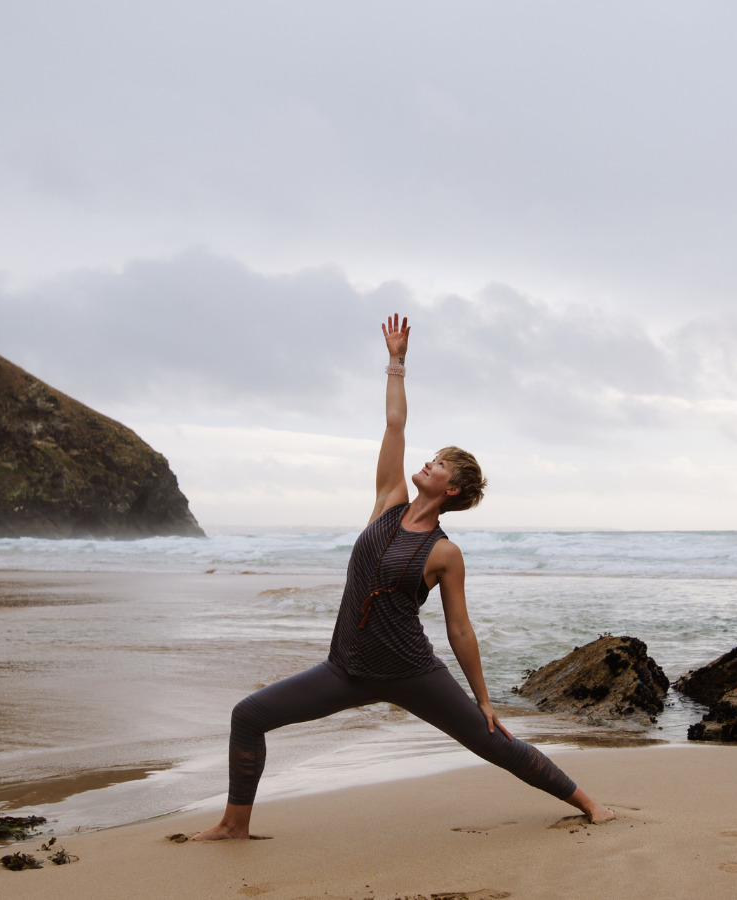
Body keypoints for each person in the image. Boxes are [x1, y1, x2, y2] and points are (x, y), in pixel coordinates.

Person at [191, 314, 614, 840]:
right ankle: (234, 825)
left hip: (410, 670)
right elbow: (395, 426)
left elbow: (459, 629)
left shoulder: (445, 552)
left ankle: (588, 802)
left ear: (452, 490)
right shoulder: (389, 501)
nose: (428, 463)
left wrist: (483, 699)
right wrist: (397, 363)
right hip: (345, 667)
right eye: (433, 457)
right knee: (248, 715)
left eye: (439, 465)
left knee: (490, 742)